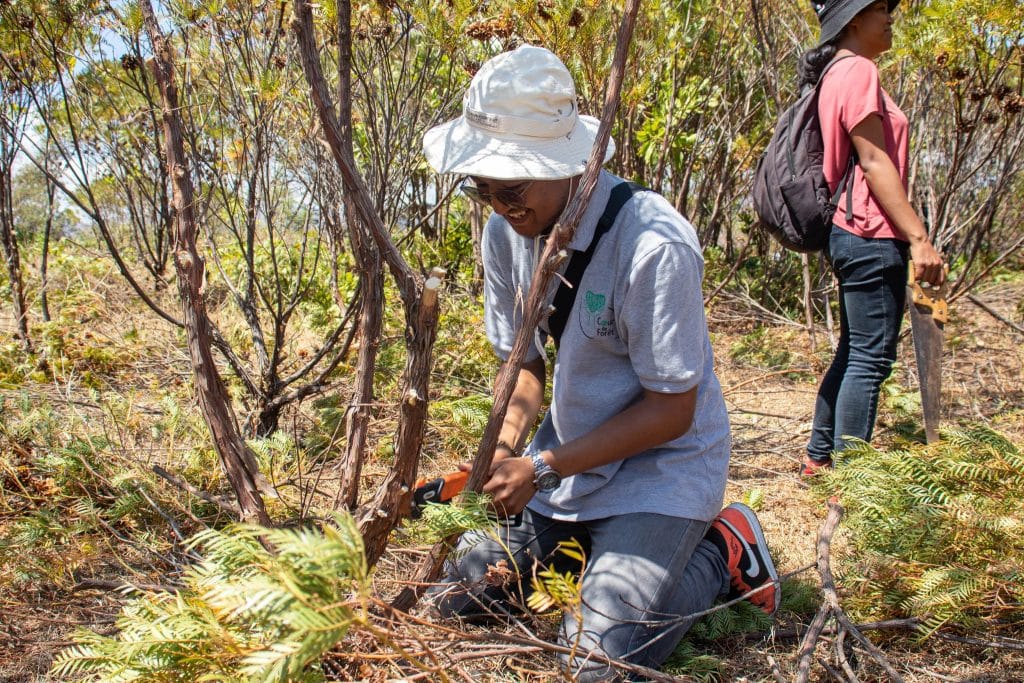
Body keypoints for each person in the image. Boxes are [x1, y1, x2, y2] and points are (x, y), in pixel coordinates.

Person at [420, 45, 779, 681]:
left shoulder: (652, 245)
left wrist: (540, 466)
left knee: (598, 660)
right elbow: (525, 367)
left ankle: (721, 551)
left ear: (566, 163)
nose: (502, 205)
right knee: (454, 599)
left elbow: (673, 410)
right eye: (483, 189)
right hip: (568, 467)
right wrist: (503, 449)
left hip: (660, 471)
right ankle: (588, 552)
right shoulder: (507, 235)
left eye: (514, 187)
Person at [802, 0, 945, 476]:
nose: (891, 17)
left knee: (854, 350)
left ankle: (819, 461)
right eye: (881, 8)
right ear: (854, 20)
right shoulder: (858, 69)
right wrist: (919, 238)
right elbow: (874, 161)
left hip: (849, 233)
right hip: (870, 231)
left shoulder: (834, 74)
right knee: (870, 359)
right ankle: (852, 481)